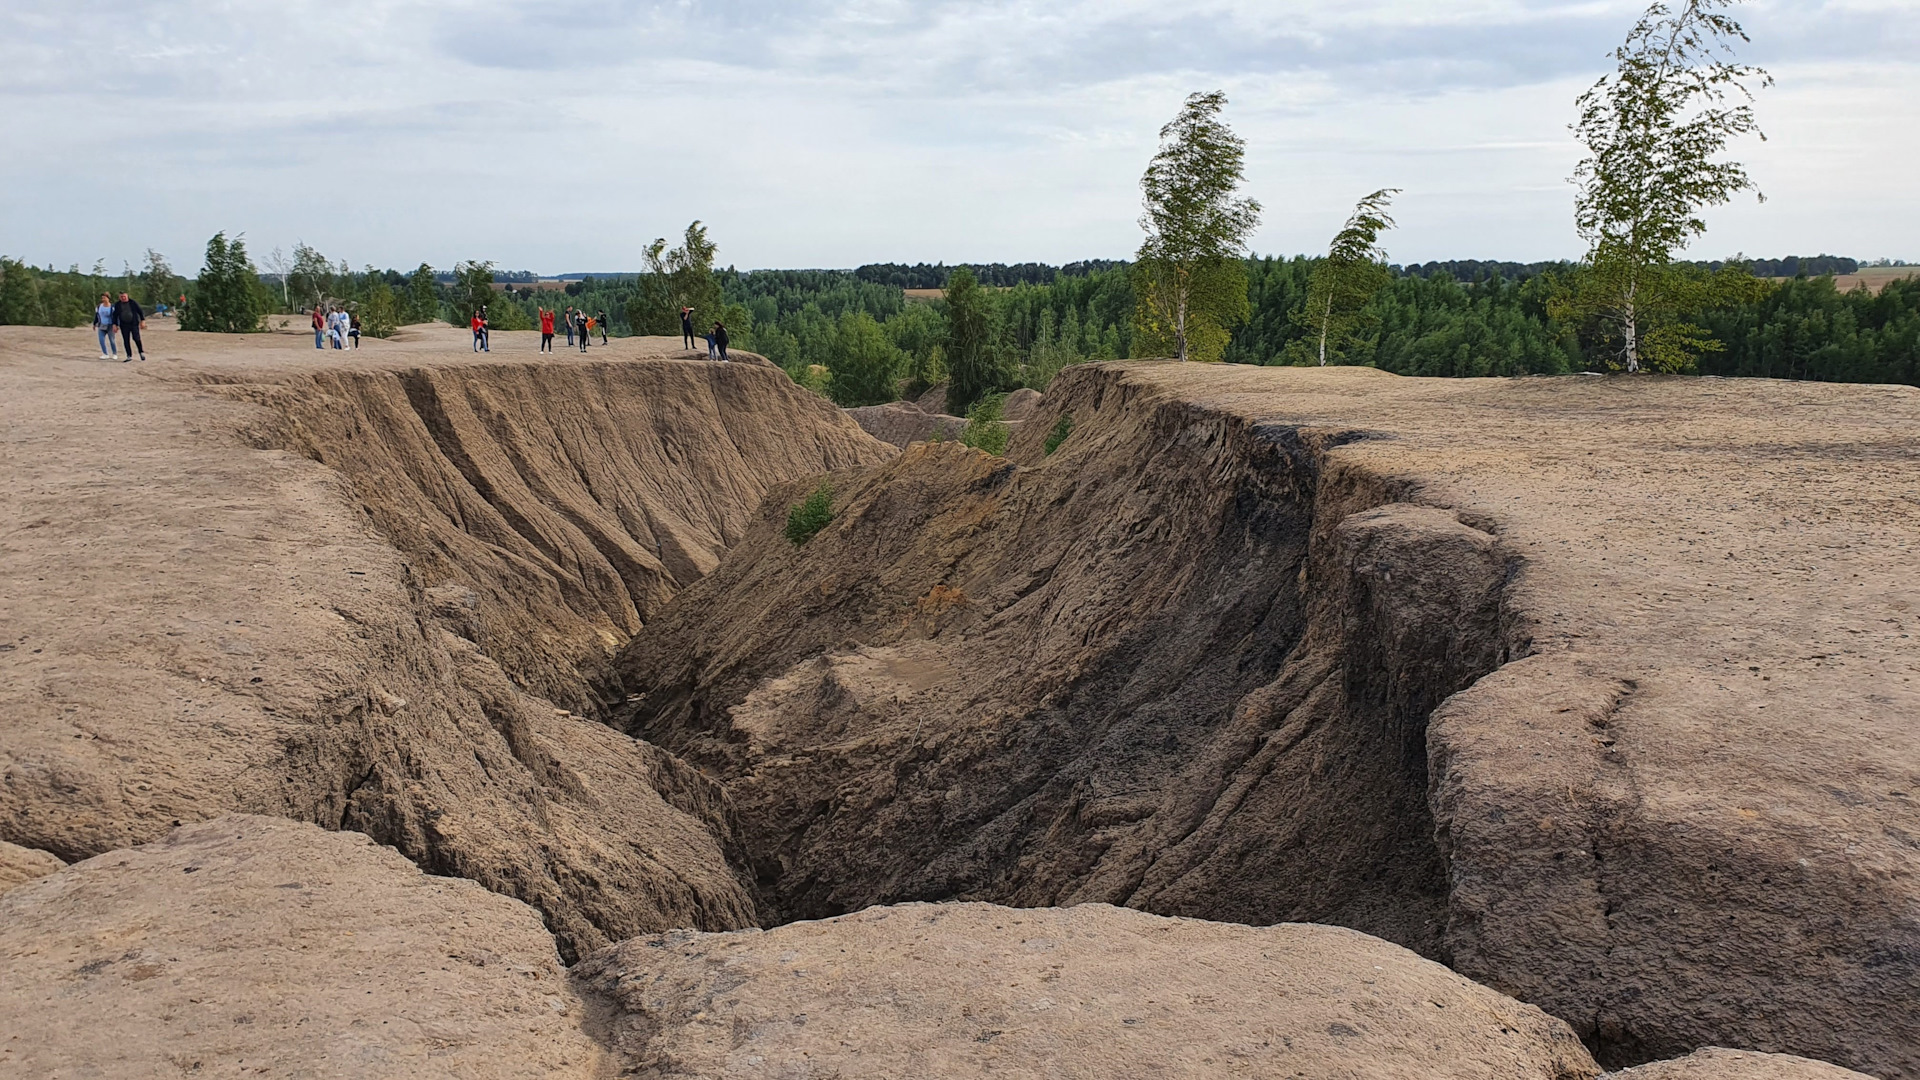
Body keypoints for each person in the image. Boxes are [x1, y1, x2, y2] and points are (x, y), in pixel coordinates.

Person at [112, 292, 146, 362]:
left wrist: (142, 321)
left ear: (127, 296)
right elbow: (115, 315)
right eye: (121, 297)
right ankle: (129, 356)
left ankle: (141, 352)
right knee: (126, 340)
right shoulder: (117, 304)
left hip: (134, 323)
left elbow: (140, 311)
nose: (123, 298)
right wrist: (115, 324)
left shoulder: (133, 303)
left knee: (136, 338)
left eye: (124, 296)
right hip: (124, 325)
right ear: (119, 297)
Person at [94, 294, 118, 359]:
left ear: (108, 298)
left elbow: (115, 317)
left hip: (110, 325)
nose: (103, 299)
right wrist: (94, 324)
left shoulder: (112, 307)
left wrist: (116, 325)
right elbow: (97, 315)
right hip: (101, 325)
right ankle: (105, 354)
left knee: (112, 340)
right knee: (101, 340)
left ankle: (114, 353)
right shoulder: (99, 307)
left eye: (104, 298)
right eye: (102, 298)